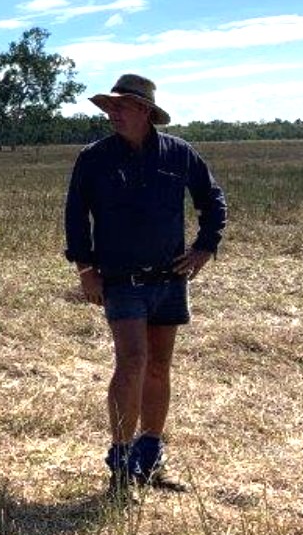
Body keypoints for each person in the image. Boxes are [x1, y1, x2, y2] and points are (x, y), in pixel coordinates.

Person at [63, 73, 227, 499]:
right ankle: (119, 464)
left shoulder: (178, 153)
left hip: (169, 278)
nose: (111, 114)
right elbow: (76, 216)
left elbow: (213, 200)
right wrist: (86, 270)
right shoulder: (94, 159)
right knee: (132, 361)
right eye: (109, 107)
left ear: (144, 111)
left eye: (120, 107)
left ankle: (149, 458)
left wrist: (205, 248)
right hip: (121, 280)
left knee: (158, 366)